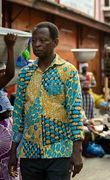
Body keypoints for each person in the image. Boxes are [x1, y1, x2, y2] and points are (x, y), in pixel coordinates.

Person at [8, 21, 84, 180]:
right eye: (34, 40)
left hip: (60, 151)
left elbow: (75, 112)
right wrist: (13, 151)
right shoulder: (25, 74)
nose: (37, 45)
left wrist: (77, 151)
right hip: (30, 152)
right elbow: (18, 113)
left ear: (55, 42)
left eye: (43, 40)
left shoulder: (68, 71)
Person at [0, 33, 17, 180]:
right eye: (1, 72)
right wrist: (10, 47)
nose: (3, 74)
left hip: (5, 130)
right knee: (7, 171)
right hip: (2, 134)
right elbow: (11, 73)